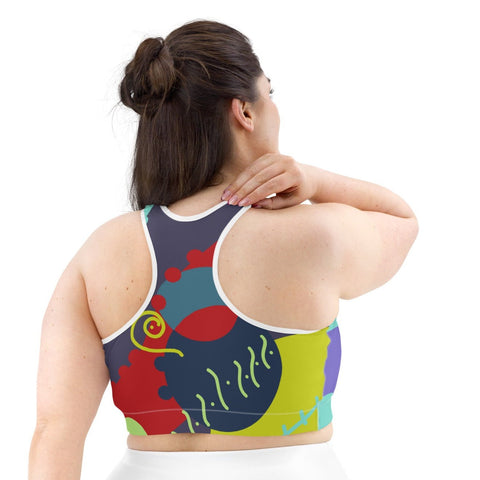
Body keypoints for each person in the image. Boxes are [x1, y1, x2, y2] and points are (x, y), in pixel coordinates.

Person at [28, 19, 418, 480]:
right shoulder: (315, 233)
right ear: (245, 112)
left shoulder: (100, 252)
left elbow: (55, 432)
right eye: (270, 93)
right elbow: (402, 222)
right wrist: (315, 180)